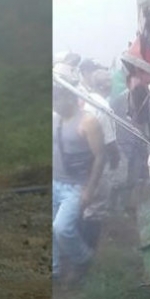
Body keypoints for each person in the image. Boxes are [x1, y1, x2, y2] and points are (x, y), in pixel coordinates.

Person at [52, 84, 105, 285]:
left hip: (76, 186)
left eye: (57, 100)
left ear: (69, 97)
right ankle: (54, 269)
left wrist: (90, 189)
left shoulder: (88, 121)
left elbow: (100, 156)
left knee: (62, 228)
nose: (54, 105)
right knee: (50, 230)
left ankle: (83, 259)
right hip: (55, 181)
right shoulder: (55, 119)